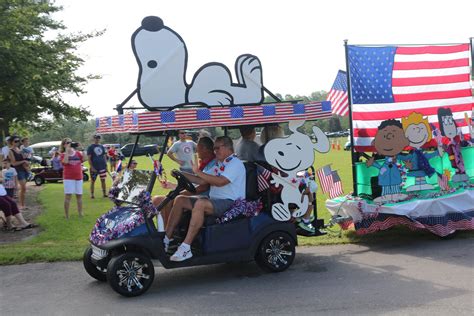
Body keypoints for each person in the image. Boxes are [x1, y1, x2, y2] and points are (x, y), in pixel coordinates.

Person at [164, 136, 245, 261]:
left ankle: (186, 248)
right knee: (180, 199)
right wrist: (181, 174)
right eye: (214, 148)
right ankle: (166, 239)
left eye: (218, 148)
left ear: (228, 147)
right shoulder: (220, 164)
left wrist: (198, 172)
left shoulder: (235, 163)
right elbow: (202, 180)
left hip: (230, 203)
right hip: (215, 201)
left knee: (200, 204)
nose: (215, 151)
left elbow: (221, 181)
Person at [152, 136, 216, 227]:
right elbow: (194, 183)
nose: (196, 151)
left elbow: (203, 187)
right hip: (194, 192)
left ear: (205, 149)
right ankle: (163, 230)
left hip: (204, 196)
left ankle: (167, 232)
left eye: (198, 148)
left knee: (168, 200)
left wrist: (180, 193)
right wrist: (172, 185)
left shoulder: (213, 164)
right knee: (157, 200)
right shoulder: (203, 163)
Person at [60, 138, 84, 219]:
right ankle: (67, 215)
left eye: (71, 142)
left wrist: (82, 149)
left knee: (79, 196)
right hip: (68, 178)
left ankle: (80, 213)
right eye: (68, 143)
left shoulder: (77, 153)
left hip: (78, 177)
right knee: (68, 196)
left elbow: (84, 159)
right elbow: (65, 162)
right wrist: (67, 150)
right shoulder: (63, 154)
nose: (70, 144)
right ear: (64, 145)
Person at [8, 136, 29, 209]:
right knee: (23, 187)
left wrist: (25, 159)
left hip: (25, 169)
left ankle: (22, 204)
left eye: (18, 141)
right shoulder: (10, 151)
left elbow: (25, 158)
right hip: (18, 170)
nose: (17, 142)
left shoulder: (20, 149)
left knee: (23, 189)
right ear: (11, 142)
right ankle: (21, 205)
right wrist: (23, 161)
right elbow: (13, 163)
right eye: (15, 141)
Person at [87, 134, 108, 198]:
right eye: (96, 138)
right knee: (93, 181)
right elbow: (89, 158)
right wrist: (92, 167)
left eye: (98, 138)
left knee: (103, 180)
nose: (97, 139)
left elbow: (104, 156)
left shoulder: (101, 146)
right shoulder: (90, 147)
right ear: (93, 139)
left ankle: (104, 194)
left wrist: (106, 165)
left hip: (102, 166)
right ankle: (92, 194)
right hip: (94, 167)